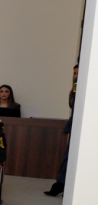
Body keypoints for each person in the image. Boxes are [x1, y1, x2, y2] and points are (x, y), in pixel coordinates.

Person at [46, 65, 77, 196]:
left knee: (70, 157)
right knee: (68, 156)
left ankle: (62, 184)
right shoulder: (75, 90)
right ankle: (61, 184)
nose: (76, 76)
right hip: (74, 125)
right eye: (74, 73)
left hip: (80, 127)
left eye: (78, 73)